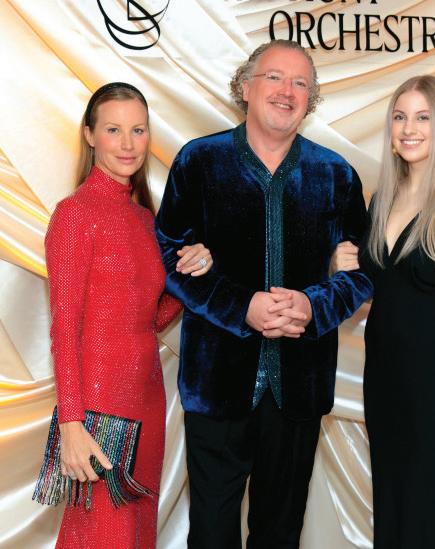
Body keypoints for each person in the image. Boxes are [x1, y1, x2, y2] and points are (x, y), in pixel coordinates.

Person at [155, 40, 373, 549]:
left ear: (311, 100)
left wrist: (314, 305)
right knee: (211, 532)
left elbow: (364, 272)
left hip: (299, 384)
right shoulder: (199, 161)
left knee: (280, 532)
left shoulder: (337, 174)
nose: (287, 91)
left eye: (301, 83)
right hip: (216, 383)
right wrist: (242, 306)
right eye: (274, 77)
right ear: (245, 88)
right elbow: (168, 253)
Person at [45, 82, 213, 548]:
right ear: (89, 135)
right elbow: (65, 329)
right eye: (113, 130)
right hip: (97, 407)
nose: (127, 144)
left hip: (147, 400)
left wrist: (190, 278)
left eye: (138, 130)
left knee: (138, 533)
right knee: (104, 533)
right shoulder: (74, 214)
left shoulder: (144, 220)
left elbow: (148, 320)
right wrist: (72, 423)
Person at [331, 75, 435, 548]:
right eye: (400, 117)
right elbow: (373, 295)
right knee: (396, 505)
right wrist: (339, 267)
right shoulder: (383, 199)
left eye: (423, 117)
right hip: (385, 381)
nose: (409, 128)